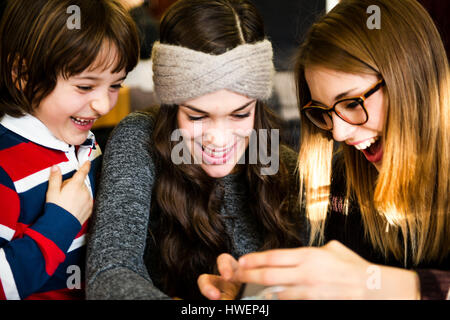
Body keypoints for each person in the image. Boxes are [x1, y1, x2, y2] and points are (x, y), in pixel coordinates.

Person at [198, 0, 449, 300]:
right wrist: (258, 294)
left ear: (412, 77)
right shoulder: (343, 181)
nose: (339, 133)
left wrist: (382, 285)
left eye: (353, 103)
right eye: (324, 113)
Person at [86, 0, 306, 300]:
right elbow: (108, 273)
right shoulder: (139, 139)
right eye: (197, 116)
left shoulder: (284, 166)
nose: (217, 138)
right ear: (172, 105)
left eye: (240, 114)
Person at [0, 0, 139, 299]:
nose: (103, 105)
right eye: (85, 87)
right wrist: (61, 222)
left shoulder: (85, 142)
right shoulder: (5, 167)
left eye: (115, 85)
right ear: (23, 74)